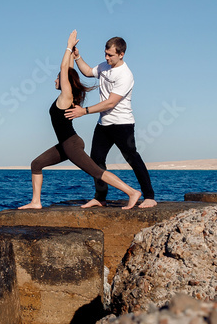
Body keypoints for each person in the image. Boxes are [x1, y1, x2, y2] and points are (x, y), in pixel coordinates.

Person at [19, 30, 141, 210]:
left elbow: (64, 70)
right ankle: (36, 202)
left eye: (57, 79)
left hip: (71, 145)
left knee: (97, 172)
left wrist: (68, 47)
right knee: (36, 164)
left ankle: (132, 192)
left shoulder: (66, 96)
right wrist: (74, 54)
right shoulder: (66, 95)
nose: (55, 80)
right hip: (67, 143)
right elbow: (67, 70)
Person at [64, 36, 157, 208]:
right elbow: (88, 71)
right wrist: (77, 57)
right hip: (104, 124)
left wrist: (83, 111)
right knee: (96, 159)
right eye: (105, 54)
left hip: (122, 124)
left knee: (132, 157)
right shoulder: (104, 66)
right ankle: (100, 198)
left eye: (110, 55)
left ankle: (149, 197)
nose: (107, 58)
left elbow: (111, 102)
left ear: (121, 54)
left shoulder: (125, 75)